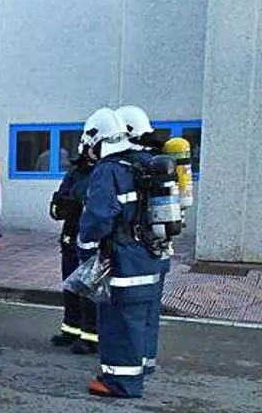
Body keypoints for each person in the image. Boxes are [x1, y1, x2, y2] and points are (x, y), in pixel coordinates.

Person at [78, 108, 162, 398]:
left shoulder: (108, 170)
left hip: (123, 259)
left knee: (118, 321)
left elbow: (98, 220)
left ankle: (121, 383)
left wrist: (85, 246)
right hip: (150, 255)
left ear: (98, 140)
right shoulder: (145, 162)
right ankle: (141, 369)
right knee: (141, 319)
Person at [115, 104, 166, 375]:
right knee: (150, 311)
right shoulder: (159, 163)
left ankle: (128, 372)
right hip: (160, 249)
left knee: (129, 315)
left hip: (134, 251)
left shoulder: (125, 168)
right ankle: (146, 361)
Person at [49, 141, 98, 354]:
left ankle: (91, 336)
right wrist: (63, 204)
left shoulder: (105, 172)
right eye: (91, 147)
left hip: (92, 240)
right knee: (70, 284)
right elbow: (57, 207)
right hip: (71, 237)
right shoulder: (75, 173)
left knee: (89, 289)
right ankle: (71, 329)